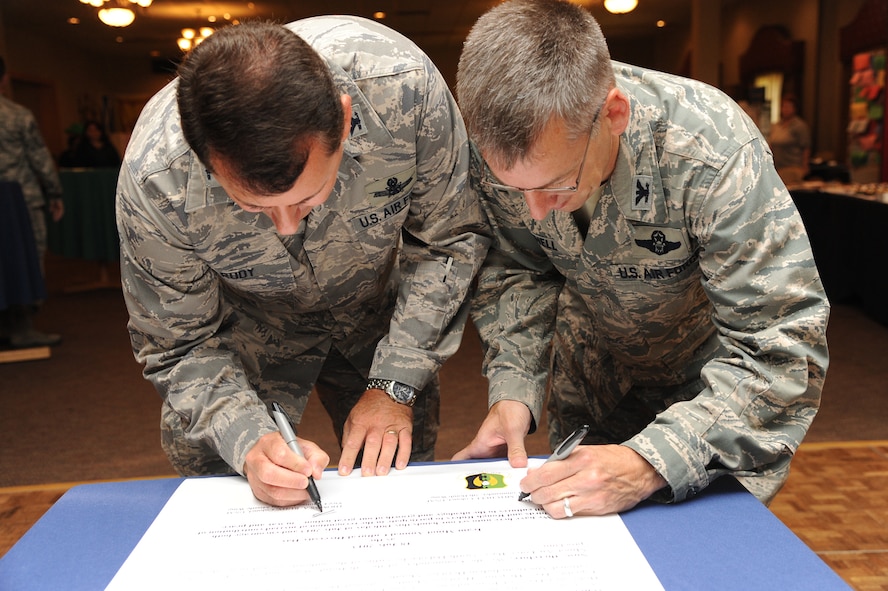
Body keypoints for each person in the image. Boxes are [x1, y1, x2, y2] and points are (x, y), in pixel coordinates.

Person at [453, 0, 829, 518]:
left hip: (715, 404)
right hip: (590, 388)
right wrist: (514, 389)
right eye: (515, 189)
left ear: (613, 115)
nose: (535, 211)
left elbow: (783, 347)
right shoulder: (501, 142)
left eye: (556, 184)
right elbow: (520, 266)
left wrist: (650, 463)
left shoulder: (711, 149)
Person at [117, 18, 489, 507]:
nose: (287, 226)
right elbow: (177, 343)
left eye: (310, 196)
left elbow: (449, 238)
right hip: (243, 331)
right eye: (254, 208)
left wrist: (395, 382)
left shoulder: (402, 90)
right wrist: (246, 438)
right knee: (231, 492)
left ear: (343, 116)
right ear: (205, 160)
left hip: (379, 313)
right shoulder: (155, 180)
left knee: (398, 481)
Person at [0, 56, 64, 348]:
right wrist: (55, 193)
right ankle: (22, 327)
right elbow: (39, 158)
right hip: (20, 201)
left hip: (18, 199)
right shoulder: (16, 115)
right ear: (4, 79)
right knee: (27, 260)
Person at [767, 94, 811, 183]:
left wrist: (805, 166)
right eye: (783, 106)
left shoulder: (799, 126)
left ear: (794, 109)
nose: (785, 109)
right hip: (777, 168)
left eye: (788, 107)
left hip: (792, 167)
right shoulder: (777, 125)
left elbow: (806, 147)